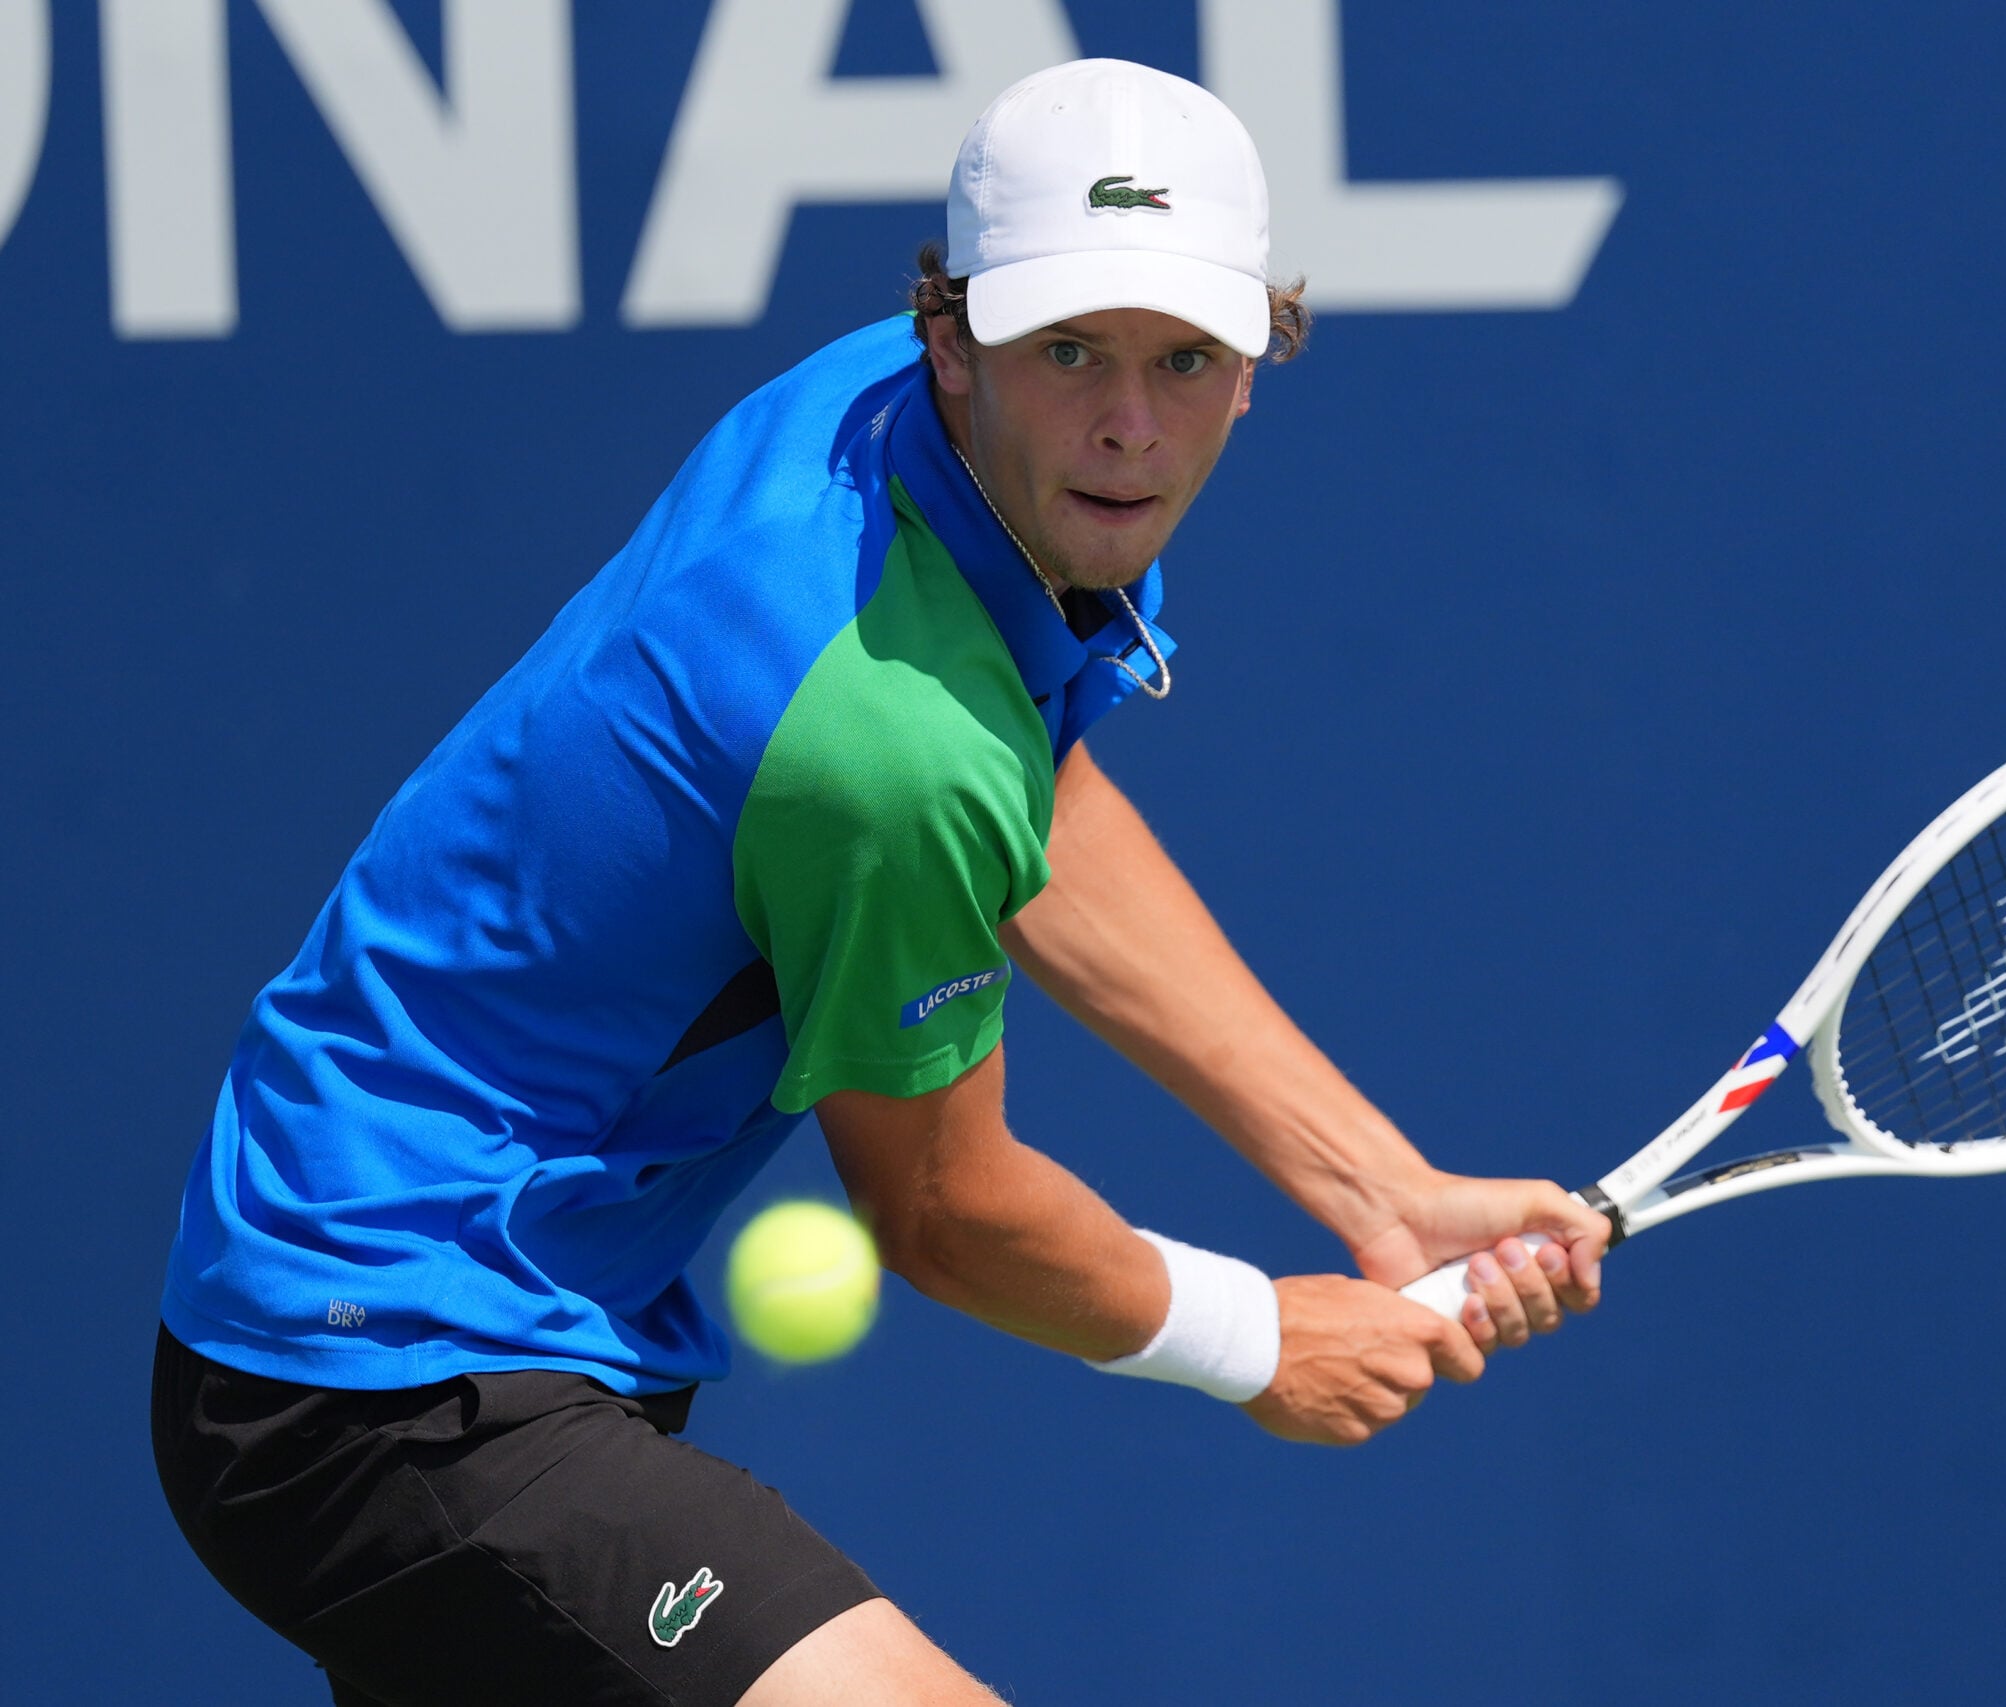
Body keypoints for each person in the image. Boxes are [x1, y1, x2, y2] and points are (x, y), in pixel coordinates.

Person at [151, 59, 1610, 1706]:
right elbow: (939, 1211)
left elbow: (1025, 804)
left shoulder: (899, 434)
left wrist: (1373, 1184)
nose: (1130, 422)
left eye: (1185, 357)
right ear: (957, 338)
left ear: (1259, 366)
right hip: (389, 1372)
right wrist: (1259, 1339)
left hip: (436, 1285)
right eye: (1072, 351)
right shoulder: (883, 740)